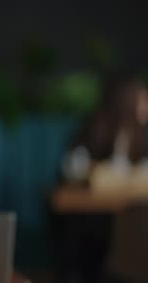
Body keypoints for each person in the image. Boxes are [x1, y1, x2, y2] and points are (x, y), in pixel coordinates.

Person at [56, 77, 148, 283]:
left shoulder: (136, 133)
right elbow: (72, 165)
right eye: (143, 100)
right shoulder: (97, 126)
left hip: (124, 215)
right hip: (89, 216)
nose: (147, 106)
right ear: (129, 101)